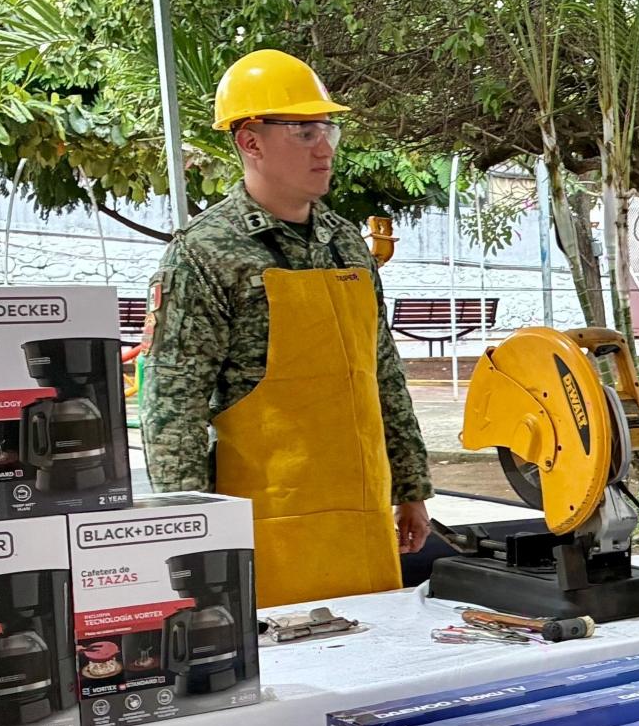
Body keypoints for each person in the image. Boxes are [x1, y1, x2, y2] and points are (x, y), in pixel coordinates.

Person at [143, 49, 434, 611]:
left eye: (327, 128)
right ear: (250, 141)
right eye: (303, 131)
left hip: (362, 519)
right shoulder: (204, 254)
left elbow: (383, 375)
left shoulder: (348, 244)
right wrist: (189, 530)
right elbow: (171, 407)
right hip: (264, 531)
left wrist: (411, 487)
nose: (324, 146)